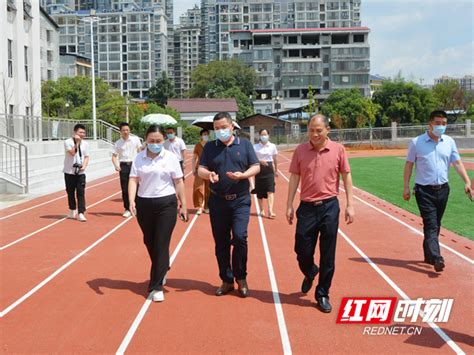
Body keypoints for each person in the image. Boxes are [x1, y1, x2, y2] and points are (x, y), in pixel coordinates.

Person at [286, 114, 355, 313]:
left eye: (318, 130)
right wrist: (289, 204)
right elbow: (294, 178)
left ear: (327, 130)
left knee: (328, 254)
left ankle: (322, 293)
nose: (314, 134)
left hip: (329, 207)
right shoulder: (300, 151)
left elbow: (346, 176)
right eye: (311, 130)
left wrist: (350, 204)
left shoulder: (338, 150)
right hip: (306, 207)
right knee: (301, 249)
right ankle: (310, 271)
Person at [198, 112, 260, 298]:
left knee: (240, 238)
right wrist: (208, 175)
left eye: (223, 127)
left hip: (240, 200)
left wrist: (244, 175)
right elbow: (200, 169)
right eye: (216, 128)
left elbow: (256, 166)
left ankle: (241, 277)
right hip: (217, 201)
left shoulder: (245, 145)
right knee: (221, 242)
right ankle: (226, 280)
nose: (220, 131)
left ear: (232, 126)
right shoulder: (210, 147)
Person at [403, 110, 472, 272]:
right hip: (423, 191)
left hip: (443, 190)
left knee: (435, 224)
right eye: (437, 123)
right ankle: (437, 257)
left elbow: (457, 163)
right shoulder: (416, 142)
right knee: (431, 224)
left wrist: (467, 182)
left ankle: (428, 255)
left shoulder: (449, 142)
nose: (441, 126)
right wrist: (406, 186)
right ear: (430, 124)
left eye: (444, 123)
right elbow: (409, 165)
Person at [128, 124, 189, 302]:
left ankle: (156, 285)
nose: (155, 144)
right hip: (144, 203)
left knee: (161, 243)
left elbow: (178, 182)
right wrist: (131, 200)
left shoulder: (170, 157)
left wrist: (183, 204)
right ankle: (163, 266)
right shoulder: (139, 158)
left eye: (158, 141)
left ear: (164, 141)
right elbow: (133, 179)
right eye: (151, 141)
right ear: (145, 140)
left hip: (166, 204)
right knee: (149, 241)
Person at [112, 122, 142, 218]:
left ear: (129, 130)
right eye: (123, 130)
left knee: (137, 187)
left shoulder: (135, 140)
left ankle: (137, 207)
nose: (126, 132)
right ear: (120, 131)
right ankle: (127, 209)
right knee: (125, 189)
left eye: (127, 130)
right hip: (124, 166)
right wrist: (116, 165)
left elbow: (140, 151)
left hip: (134, 165)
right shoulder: (118, 143)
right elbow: (114, 156)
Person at [63, 123, 90, 222]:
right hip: (69, 171)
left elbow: (87, 156)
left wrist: (84, 165)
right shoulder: (68, 142)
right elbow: (72, 153)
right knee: (70, 192)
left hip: (80, 172)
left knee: (81, 192)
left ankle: (81, 212)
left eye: (83, 132)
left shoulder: (86, 144)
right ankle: (72, 209)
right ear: (75, 132)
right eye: (80, 132)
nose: (82, 134)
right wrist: (77, 143)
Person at [252, 129, 279, 219]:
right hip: (259, 169)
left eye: (265, 134)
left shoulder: (272, 146)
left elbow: (275, 159)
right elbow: (251, 159)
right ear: (259, 136)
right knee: (259, 191)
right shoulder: (255, 147)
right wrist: (259, 161)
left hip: (269, 169)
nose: (264, 136)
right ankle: (261, 209)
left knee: (270, 190)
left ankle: (270, 211)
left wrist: (276, 170)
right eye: (262, 135)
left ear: (268, 135)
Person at [192, 129, 211, 215]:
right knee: (198, 188)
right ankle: (199, 206)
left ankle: (206, 206)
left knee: (208, 189)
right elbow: (194, 158)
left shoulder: (211, 145)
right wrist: (193, 169)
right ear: (201, 136)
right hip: (199, 169)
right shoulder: (197, 145)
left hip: (209, 169)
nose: (205, 136)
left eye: (207, 134)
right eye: (204, 134)